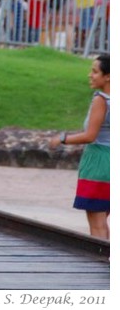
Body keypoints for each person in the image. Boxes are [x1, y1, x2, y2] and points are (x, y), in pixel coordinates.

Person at [50, 54, 109, 240]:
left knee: (97, 222)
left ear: (108, 76)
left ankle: (101, 264)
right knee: (103, 217)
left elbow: (90, 136)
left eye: (95, 71)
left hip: (99, 163)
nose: (89, 75)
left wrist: (62, 138)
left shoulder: (101, 100)